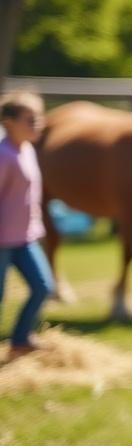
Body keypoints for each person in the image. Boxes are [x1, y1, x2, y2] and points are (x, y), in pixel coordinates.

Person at [0, 91, 54, 359]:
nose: (38, 124)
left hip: (25, 238)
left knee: (43, 286)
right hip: (1, 241)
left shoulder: (28, 150)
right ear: (9, 122)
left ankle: (21, 338)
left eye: (39, 119)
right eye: (30, 119)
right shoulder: (3, 155)